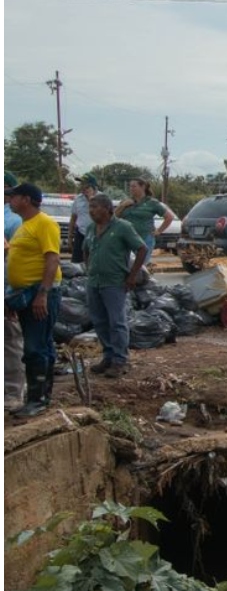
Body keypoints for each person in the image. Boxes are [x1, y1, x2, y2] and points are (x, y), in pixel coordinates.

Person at [6, 183, 62, 417]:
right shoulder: (24, 225)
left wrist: (42, 294)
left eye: (13, 196)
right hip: (24, 293)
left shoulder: (44, 223)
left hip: (39, 293)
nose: (9, 200)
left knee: (35, 347)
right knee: (40, 345)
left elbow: (52, 259)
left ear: (26, 199)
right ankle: (39, 396)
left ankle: (38, 400)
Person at [81, 195, 146, 378]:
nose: (91, 210)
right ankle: (108, 356)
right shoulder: (91, 228)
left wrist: (132, 276)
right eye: (90, 207)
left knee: (117, 322)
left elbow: (141, 249)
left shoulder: (123, 227)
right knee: (99, 321)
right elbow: (86, 249)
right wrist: (89, 268)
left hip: (115, 283)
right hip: (94, 282)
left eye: (95, 206)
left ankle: (120, 360)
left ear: (108, 209)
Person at [114, 177, 175, 268]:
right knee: (124, 265)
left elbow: (169, 217)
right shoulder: (126, 201)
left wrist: (159, 231)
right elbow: (113, 217)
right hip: (126, 239)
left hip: (144, 238)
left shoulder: (152, 203)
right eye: (130, 186)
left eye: (134, 186)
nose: (131, 189)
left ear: (143, 187)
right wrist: (123, 205)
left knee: (140, 267)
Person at [4, 173, 25, 412]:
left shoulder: (13, 221)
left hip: (6, 288)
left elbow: (12, 259)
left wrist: (10, 293)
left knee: (9, 342)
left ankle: (13, 391)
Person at [68, 174, 101, 264]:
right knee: (76, 262)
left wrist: (91, 199)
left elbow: (103, 215)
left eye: (86, 185)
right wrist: (70, 237)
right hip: (81, 234)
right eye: (81, 184)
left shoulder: (102, 198)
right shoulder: (78, 199)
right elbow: (73, 218)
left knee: (94, 262)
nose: (83, 187)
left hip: (97, 235)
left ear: (93, 187)